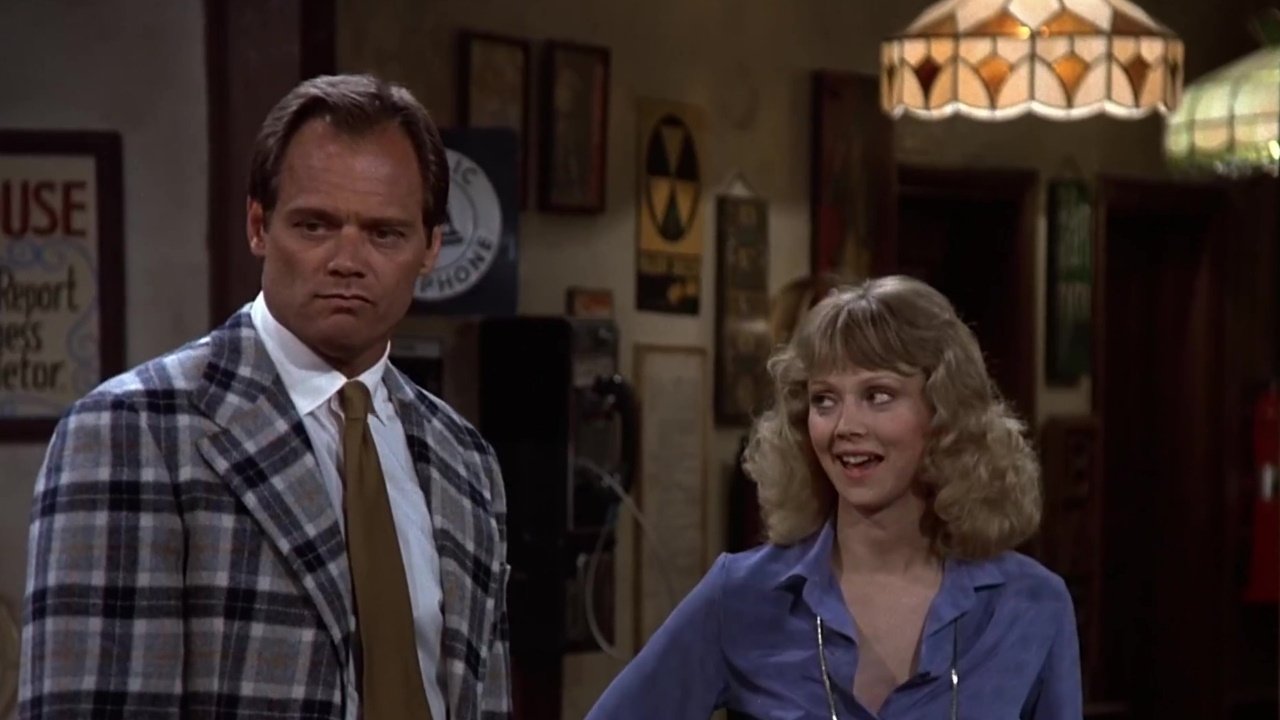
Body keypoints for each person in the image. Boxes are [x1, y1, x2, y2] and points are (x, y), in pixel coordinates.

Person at [20, 74, 510, 720]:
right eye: (315, 226)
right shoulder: (133, 432)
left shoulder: (465, 460)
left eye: (385, 234)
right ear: (259, 226)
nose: (347, 260)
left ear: (431, 248)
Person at [588, 275, 1080, 719]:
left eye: (878, 395)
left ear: (944, 412)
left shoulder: (1031, 605)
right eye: (825, 400)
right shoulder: (742, 596)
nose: (845, 426)